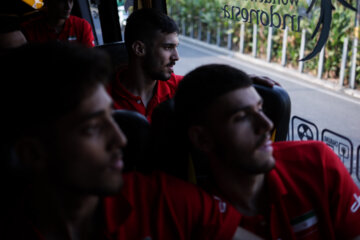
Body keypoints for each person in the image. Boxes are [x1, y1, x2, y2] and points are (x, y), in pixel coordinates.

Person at [0, 42, 262, 240]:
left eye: (110, 117)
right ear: (32, 154)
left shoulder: (160, 202)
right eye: (92, 128)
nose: (121, 139)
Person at [174, 64, 360, 239]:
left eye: (260, 108)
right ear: (202, 139)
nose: (267, 125)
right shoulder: (192, 213)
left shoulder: (317, 161)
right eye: (241, 117)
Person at [21, 0, 95, 47]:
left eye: (71, 1)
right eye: (62, 1)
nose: (68, 6)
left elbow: (90, 59)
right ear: (48, 2)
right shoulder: (29, 29)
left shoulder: (82, 26)